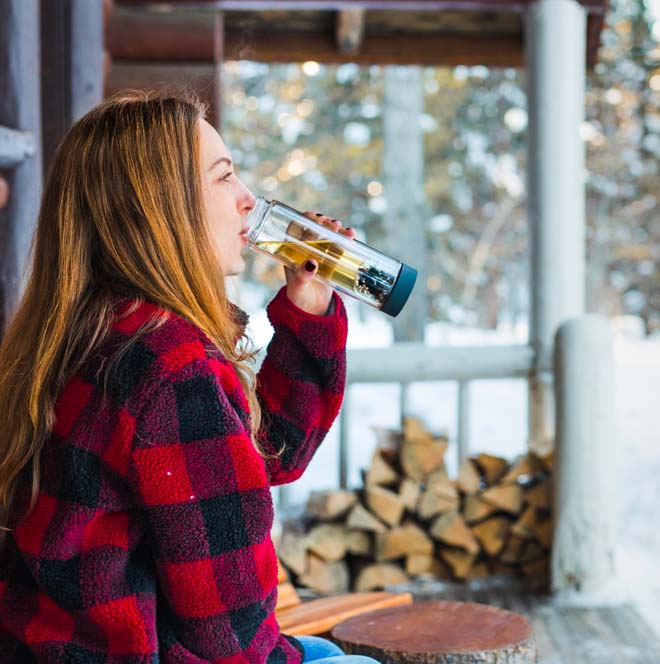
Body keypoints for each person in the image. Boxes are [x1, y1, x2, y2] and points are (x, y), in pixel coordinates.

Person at [0, 93, 379, 664]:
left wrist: (309, 309)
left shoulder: (75, 333)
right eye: (224, 178)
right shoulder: (171, 373)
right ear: (162, 208)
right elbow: (231, 643)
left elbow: (262, 453)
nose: (248, 201)